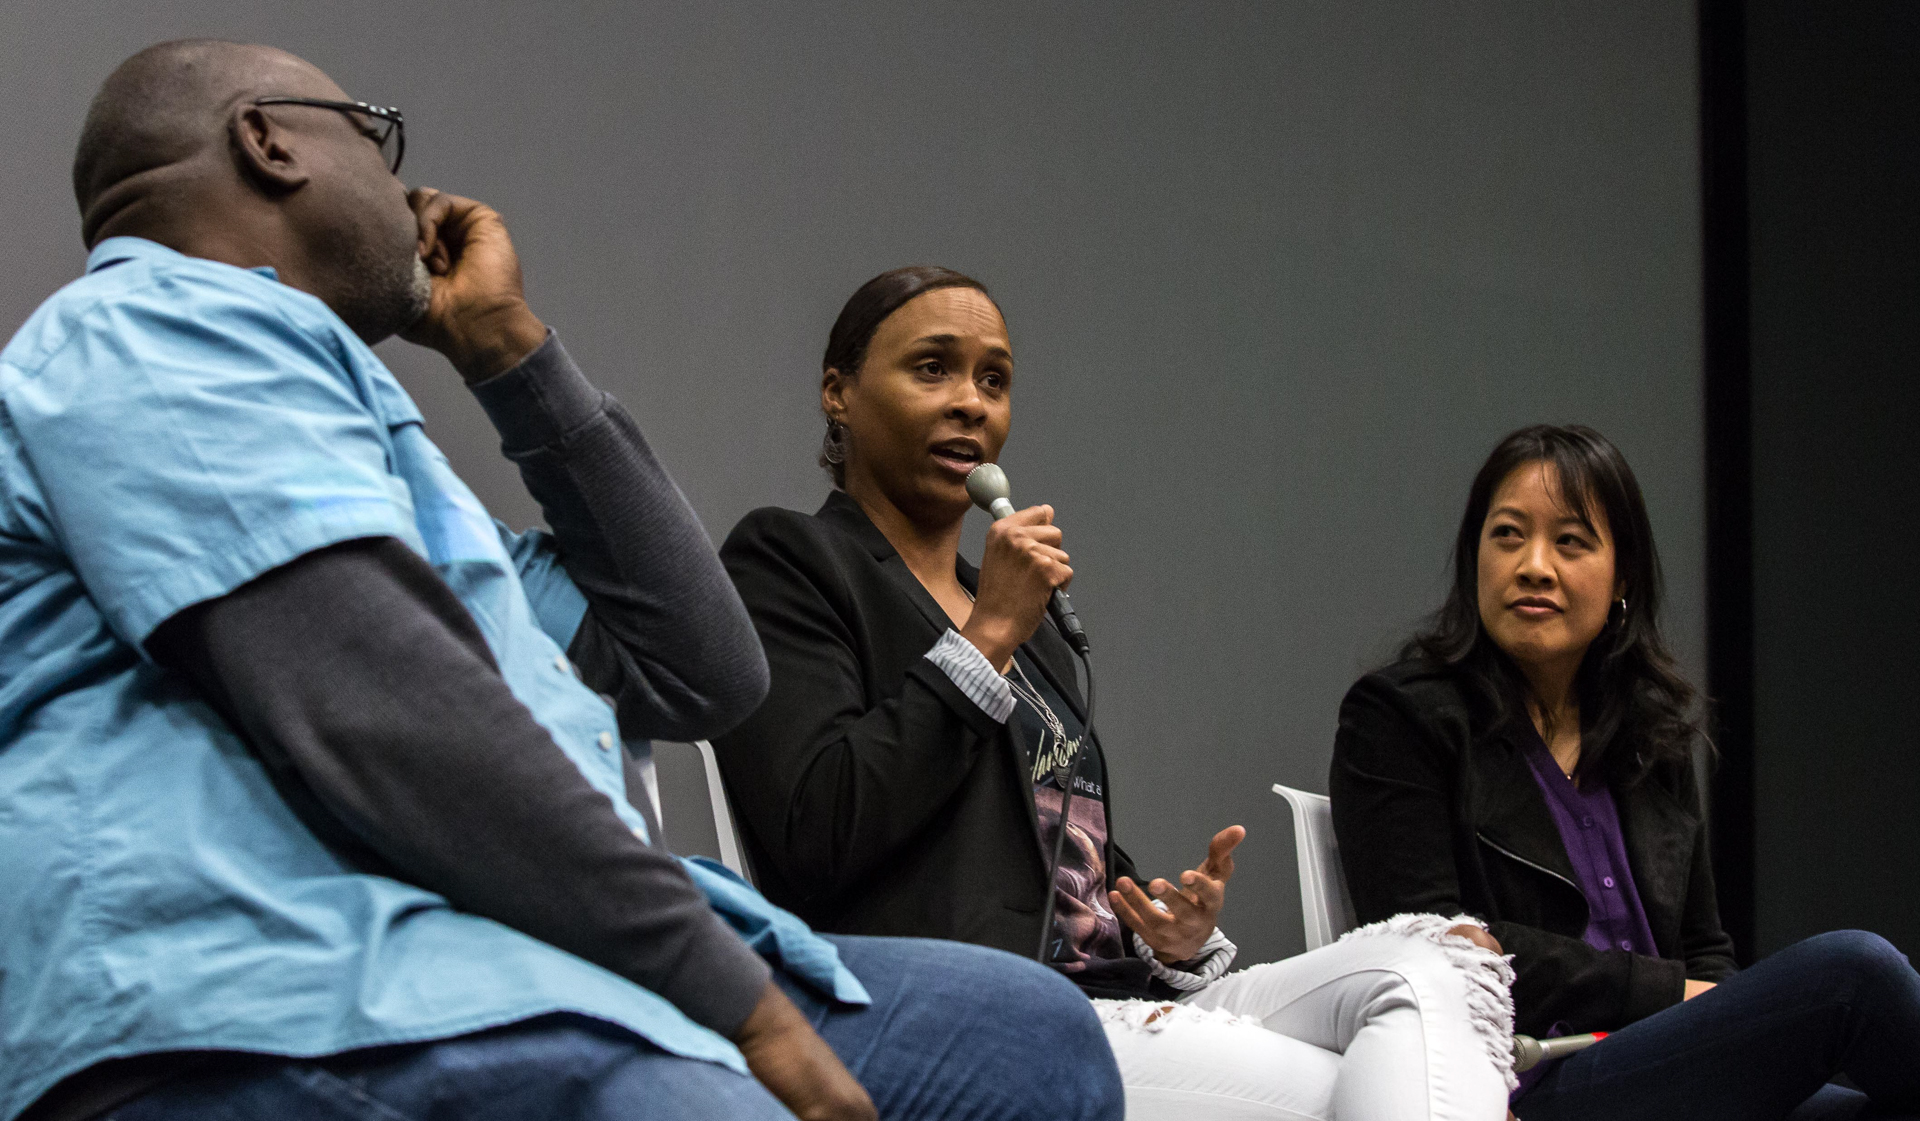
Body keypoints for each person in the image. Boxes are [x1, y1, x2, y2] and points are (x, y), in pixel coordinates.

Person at [0, 41, 1121, 1121]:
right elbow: (389, 716)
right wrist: (735, 1004)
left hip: (512, 966)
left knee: (1027, 1036)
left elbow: (703, 671)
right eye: (375, 140)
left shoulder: (381, 477)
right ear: (269, 143)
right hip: (277, 996)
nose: (407, 186)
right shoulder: (154, 329)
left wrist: (510, 351)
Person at [713, 265, 1520, 1121]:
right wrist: (984, 639)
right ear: (838, 393)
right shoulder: (794, 562)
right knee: (1358, 1090)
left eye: (994, 380)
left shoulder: (1030, 621)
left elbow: (1057, 852)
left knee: (1438, 961)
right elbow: (819, 826)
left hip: (1121, 992)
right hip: (990, 1015)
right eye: (932, 369)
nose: (971, 403)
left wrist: (1162, 926)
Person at [1330, 424, 1920, 1120]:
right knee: (1856, 973)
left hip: (1673, 1065)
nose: (1534, 565)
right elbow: (1439, 949)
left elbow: (1707, 949)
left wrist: (1720, 1018)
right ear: (1475, 559)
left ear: (1623, 578)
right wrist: (1673, 995)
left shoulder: (1649, 733)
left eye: (1571, 542)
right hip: (1528, 1081)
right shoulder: (1400, 716)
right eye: (1508, 535)